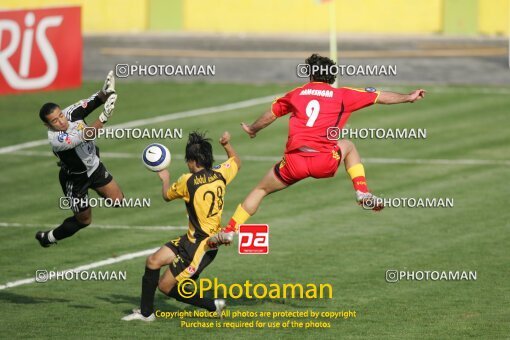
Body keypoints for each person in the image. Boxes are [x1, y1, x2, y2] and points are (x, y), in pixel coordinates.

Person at [208, 54, 426, 247]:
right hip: (324, 161)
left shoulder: (296, 94)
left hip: (294, 163)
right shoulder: (343, 95)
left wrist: (252, 129)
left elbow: (271, 115)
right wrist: (408, 97)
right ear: (331, 77)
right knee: (348, 145)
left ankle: (230, 231)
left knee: (260, 190)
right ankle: (361, 191)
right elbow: (379, 96)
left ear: (310, 75)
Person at [122, 131, 241, 322]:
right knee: (153, 261)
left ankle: (212, 306)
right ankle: (146, 313)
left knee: (165, 287)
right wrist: (226, 144)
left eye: (188, 160)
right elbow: (236, 161)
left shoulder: (187, 180)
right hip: (191, 239)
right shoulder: (220, 173)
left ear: (193, 161)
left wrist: (165, 178)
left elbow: (167, 195)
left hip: (201, 247)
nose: (187, 163)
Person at [35, 71, 123, 247]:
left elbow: (94, 101)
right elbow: (85, 136)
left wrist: (105, 91)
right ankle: (49, 238)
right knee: (84, 220)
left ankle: (97, 187)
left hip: (94, 167)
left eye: (60, 115)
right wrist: (104, 117)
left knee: (118, 201)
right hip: (75, 180)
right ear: (48, 125)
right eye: (55, 121)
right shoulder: (56, 139)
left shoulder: (70, 113)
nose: (61, 121)